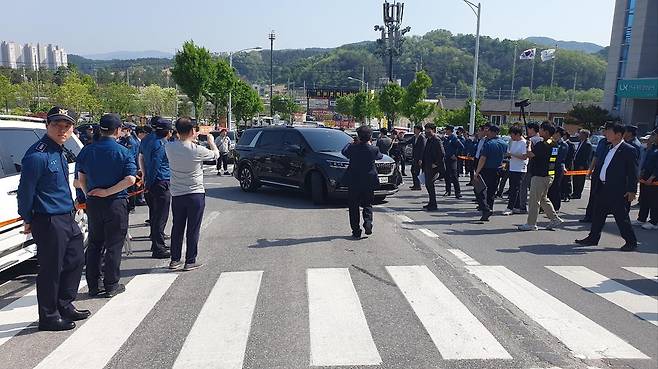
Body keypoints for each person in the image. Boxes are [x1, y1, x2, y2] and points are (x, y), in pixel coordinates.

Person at [17, 106, 89, 331]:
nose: (62, 129)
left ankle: (64, 304)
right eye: (57, 125)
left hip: (66, 216)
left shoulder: (59, 150)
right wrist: (27, 218)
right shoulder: (37, 155)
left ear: (72, 129)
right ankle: (48, 316)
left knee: (76, 260)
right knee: (51, 269)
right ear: (47, 125)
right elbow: (25, 191)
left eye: (66, 125)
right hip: (48, 220)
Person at [76, 114, 137, 298]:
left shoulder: (87, 150)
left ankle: (93, 285)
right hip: (115, 202)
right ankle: (111, 285)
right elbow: (130, 179)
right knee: (114, 245)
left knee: (95, 244)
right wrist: (108, 191)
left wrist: (90, 194)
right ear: (118, 130)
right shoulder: (123, 151)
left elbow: (80, 178)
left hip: (93, 202)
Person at [165, 117, 220, 270]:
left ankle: (175, 259)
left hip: (177, 193)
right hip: (195, 192)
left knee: (177, 227)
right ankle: (190, 260)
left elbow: (178, 143)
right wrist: (211, 141)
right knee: (193, 228)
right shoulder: (197, 150)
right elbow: (216, 155)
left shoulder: (169, 148)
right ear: (192, 131)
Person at [576, 123, 638, 251]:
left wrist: (632, 190)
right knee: (598, 214)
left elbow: (633, 172)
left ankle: (631, 242)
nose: (606, 134)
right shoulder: (609, 147)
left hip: (617, 190)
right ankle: (593, 238)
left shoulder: (628, 150)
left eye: (609, 132)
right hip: (603, 187)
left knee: (621, 217)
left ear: (618, 135)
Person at [518, 122, 564, 231]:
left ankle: (531, 223)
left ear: (546, 132)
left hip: (540, 175)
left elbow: (530, 154)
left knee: (534, 200)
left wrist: (529, 146)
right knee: (543, 199)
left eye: (542, 130)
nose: (540, 131)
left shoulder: (543, 144)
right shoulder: (553, 143)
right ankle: (554, 218)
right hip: (549, 175)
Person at [341, 126, 383, 238]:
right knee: (368, 204)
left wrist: (351, 143)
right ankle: (368, 222)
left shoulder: (352, 148)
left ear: (358, 137)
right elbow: (380, 157)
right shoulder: (374, 149)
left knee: (353, 206)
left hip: (354, 181)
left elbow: (344, 152)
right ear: (370, 137)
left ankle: (356, 230)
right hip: (369, 181)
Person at [141, 118, 174, 259]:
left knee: (155, 216)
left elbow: (141, 158)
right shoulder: (161, 144)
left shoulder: (146, 139)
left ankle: (156, 244)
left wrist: (144, 178)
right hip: (160, 181)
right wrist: (149, 182)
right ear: (167, 131)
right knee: (160, 217)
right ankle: (158, 248)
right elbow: (156, 164)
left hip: (152, 180)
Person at [474, 125, 507, 221]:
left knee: (479, 190)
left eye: (488, 131)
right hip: (498, 169)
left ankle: (485, 208)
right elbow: (506, 156)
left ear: (492, 132)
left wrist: (477, 172)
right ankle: (490, 208)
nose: (486, 133)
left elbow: (483, 158)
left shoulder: (488, 144)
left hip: (486, 169)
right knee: (492, 191)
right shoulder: (503, 143)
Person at [581, 127, 610, 223]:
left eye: (605, 129)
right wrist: (590, 170)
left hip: (606, 172)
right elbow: (596, 156)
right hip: (597, 171)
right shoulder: (602, 141)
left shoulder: (614, 144)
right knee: (593, 194)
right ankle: (588, 216)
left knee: (602, 197)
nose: (603, 131)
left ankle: (598, 217)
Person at [634, 129, 658, 230]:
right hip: (645, 177)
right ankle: (641, 218)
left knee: (654, 201)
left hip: (654, 179)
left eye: (654, 135)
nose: (652, 137)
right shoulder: (652, 147)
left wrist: (652, 177)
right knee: (644, 199)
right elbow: (645, 161)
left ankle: (654, 221)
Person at [517, 122, 543, 214]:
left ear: (532, 129)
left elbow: (527, 154)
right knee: (536, 189)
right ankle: (540, 207)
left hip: (529, 167)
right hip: (540, 168)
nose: (527, 131)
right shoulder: (543, 140)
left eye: (528, 129)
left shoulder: (530, 141)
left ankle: (522, 207)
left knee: (523, 187)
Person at [502, 126, 528, 215]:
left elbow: (524, 156)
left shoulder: (524, 143)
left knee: (514, 188)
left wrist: (512, 154)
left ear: (517, 134)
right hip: (512, 167)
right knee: (513, 187)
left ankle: (510, 207)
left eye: (512, 135)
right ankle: (516, 206)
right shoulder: (513, 142)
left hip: (520, 169)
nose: (511, 137)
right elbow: (510, 154)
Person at [421, 123, 446, 211]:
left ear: (433, 130)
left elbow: (442, 154)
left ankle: (433, 204)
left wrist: (435, 163)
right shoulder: (429, 140)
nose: (427, 132)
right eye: (426, 130)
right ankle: (431, 202)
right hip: (427, 165)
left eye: (429, 130)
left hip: (433, 167)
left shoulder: (437, 140)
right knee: (428, 185)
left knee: (430, 184)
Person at [119, 122, 140, 212]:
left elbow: (130, 155)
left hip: (130, 166)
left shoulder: (130, 141)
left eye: (124, 130)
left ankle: (132, 206)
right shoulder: (123, 140)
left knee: (131, 187)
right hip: (124, 166)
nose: (122, 131)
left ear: (129, 130)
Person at [547, 127, 569, 212]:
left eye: (555, 133)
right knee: (547, 187)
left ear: (559, 134)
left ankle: (556, 206)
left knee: (555, 187)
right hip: (548, 167)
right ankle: (545, 206)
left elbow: (559, 158)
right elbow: (544, 145)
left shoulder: (563, 145)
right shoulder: (550, 141)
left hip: (557, 168)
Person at [442, 125, 464, 198]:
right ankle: (448, 191)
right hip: (446, 159)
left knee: (454, 176)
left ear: (450, 130)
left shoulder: (454, 138)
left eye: (447, 130)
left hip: (452, 160)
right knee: (447, 175)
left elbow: (461, 147)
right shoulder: (446, 138)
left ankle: (458, 192)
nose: (446, 131)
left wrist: (456, 154)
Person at [571, 129, 593, 199]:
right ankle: (574, 192)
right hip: (576, 163)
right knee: (575, 179)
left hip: (582, 166)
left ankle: (578, 193)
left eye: (580, 134)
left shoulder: (587, 144)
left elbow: (586, 156)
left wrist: (582, 165)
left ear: (584, 135)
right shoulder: (581, 142)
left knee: (580, 180)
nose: (579, 135)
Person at [409, 125, 426, 190]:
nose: (414, 130)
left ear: (419, 130)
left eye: (415, 129)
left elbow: (422, 149)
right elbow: (407, 141)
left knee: (416, 171)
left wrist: (421, 159)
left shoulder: (422, 137)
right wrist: (398, 143)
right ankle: (415, 184)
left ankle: (418, 186)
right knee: (413, 171)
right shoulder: (414, 137)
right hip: (414, 157)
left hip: (419, 158)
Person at [561, 131, 576, 202]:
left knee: (567, 181)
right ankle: (562, 194)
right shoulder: (559, 144)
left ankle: (568, 195)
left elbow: (571, 156)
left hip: (567, 165)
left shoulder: (570, 144)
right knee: (562, 181)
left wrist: (567, 166)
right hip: (561, 165)